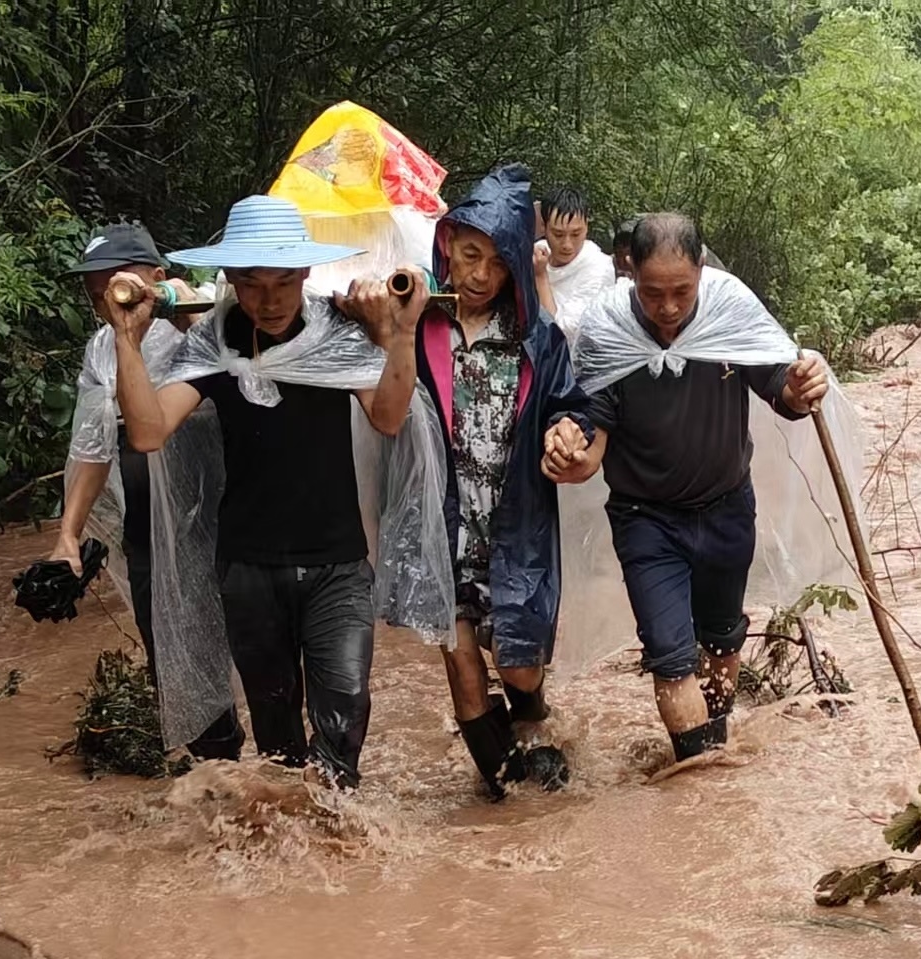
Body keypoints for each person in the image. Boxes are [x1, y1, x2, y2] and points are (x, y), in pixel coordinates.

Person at [102, 195, 419, 788]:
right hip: (249, 568)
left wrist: (400, 333)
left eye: (283, 282)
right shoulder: (214, 343)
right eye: (251, 284)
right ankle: (288, 837)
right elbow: (147, 432)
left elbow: (388, 416)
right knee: (278, 742)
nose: (269, 300)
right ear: (230, 279)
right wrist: (127, 339)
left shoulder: (334, 331)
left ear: (305, 272)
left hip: (337, 563)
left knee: (345, 713)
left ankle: (336, 835)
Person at [341, 164, 592, 800]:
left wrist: (566, 431)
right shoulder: (417, 322)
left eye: (497, 263)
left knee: (518, 663)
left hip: (515, 521)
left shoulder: (536, 337)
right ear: (447, 245)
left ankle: (532, 719)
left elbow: (569, 405)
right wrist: (375, 312)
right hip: (439, 521)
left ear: (516, 269)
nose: (480, 275)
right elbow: (345, 333)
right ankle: (506, 793)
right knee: (461, 664)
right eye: (470, 255)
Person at [541, 213, 829, 764]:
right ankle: (700, 775)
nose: (668, 307)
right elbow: (591, 446)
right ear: (629, 270)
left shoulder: (729, 307)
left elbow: (782, 392)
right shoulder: (608, 328)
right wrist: (570, 456)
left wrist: (801, 384)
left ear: (701, 269)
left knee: (722, 639)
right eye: (653, 293)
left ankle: (712, 752)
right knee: (671, 657)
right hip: (646, 520)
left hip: (726, 509)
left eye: (681, 291)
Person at [50, 222, 244, 760]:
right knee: (168, 641)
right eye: (96, 295)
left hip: (221, 507)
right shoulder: (102, 349)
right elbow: (92, 447)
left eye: (119, 285)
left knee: (248, 636)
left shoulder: (200, 320)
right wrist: (68, 535)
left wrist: (185, 310)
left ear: (156, 278)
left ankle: (281, 766)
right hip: (148, 522)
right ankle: (216, 765)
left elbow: (245, 371)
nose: (109, 302)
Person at [533, 186, 615, 341]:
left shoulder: (599, 269)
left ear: (586, 227)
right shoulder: (538, 252)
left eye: (576, 234)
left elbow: (561, 333)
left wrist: (540, 277)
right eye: (558, 234)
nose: (567, 245)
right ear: (543, 227)